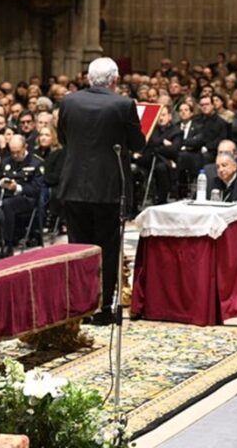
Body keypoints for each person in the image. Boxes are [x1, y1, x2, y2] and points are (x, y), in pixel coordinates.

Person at [57, 57, 145, 325]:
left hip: (73, 186)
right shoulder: (123, 104)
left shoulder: (69, 102)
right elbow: (137, 143)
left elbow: (63, 138)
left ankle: (79, 307)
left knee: (78, 248)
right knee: (107, 248)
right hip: (108, 189)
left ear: (88, 78)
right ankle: (103, 308)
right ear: (115, 80)